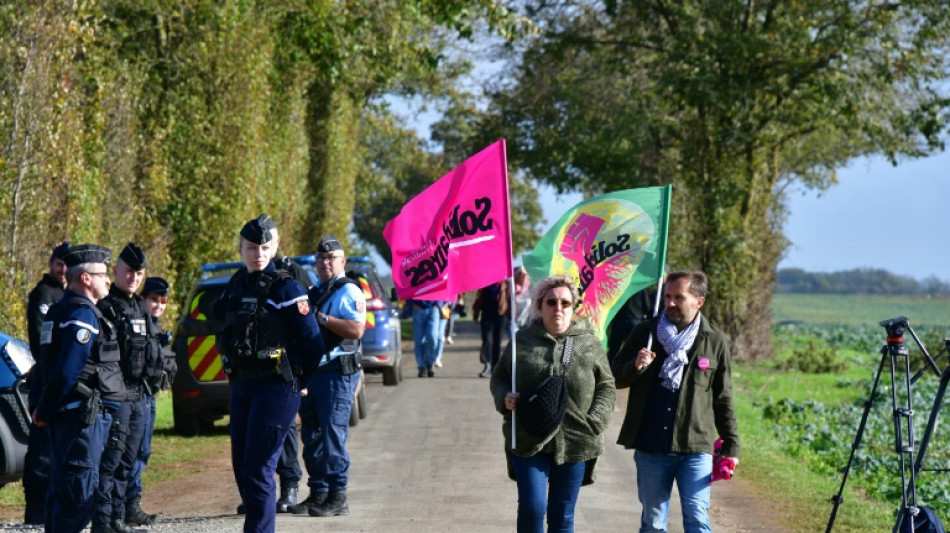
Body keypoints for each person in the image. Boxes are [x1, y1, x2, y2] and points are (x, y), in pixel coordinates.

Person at [213, 214, 323, 533]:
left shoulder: (286, 287)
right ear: (240, 249)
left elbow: (313, 342)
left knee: (259, 469)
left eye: (263, 247)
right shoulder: (236, 284)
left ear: (274, 247)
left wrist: (300, 381)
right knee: (243, 469)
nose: (257, 254)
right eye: (250, 247)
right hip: (244, 385)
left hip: (277, 386)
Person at [611, 270, 740, 533]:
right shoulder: (645, 332)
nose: (669, 303)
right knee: (654, 523)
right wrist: (635, 367)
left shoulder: (715, 340)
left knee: (697, 519)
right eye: (667, 296)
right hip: (651, 446)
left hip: (695, 448)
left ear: (698, 302)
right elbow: (615, 377)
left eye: (678, 298)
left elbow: (723, 396)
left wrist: (731, 444)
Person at [490, 275, 616, 533]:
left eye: (565, 303)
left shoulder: (588, 344)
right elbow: (499, 378)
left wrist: (595, 421)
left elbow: (607, 385)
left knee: (563, 516)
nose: (558, 308)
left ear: (574, 307)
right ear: (540, 306)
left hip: (575, 441)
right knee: (532, 509)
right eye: (551, 302)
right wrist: (505, 398)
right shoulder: (521, 342)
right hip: (528, 439)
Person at [33, 244, 124, 533]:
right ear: (86, 278)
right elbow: (65, 371)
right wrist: (45, 409)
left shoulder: (59, 311)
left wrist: (43, 407)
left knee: (63, 496)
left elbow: (46, 367)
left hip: (67, 417)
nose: (108, 279)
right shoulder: (81, 315)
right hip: (79, 420)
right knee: (77, 498)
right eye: (103, 274)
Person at [289, 235, 365, 517]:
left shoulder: (349, 292)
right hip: (315, 373)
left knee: (333, 435)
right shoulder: (317, 289)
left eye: (331, 258)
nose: (325, 262)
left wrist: (322, 318)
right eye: (321, 258)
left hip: (337, 373)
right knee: (312, 436)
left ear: (342, 262)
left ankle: (337, 496)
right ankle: (318, 492)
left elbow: (356, 330)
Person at [94, 242, 159, 533]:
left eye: (139, 273)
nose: (134, 277)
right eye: (129, 271)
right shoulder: (107, 307)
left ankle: (118, 518)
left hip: (138, 396)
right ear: (116, 271)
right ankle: (103, 521)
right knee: (110, 461)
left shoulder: (138, 307)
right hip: (116, 396)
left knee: (128, 461)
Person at [23, 241, 70, 525]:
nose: (62, 269)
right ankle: (36, 509)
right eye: (58, 263)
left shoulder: (65, 294)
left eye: (67, 265)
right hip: (46, 378)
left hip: (61, 378)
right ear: (51, 263)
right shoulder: (44, 294)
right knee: (41, 450)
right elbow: (42, 343)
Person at [125, 276, 176, 527]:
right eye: (154, 299)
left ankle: (129, 503)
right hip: (137, 395)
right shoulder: (138, 324)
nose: (158, 305)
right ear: (143, 299)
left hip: (150, 395)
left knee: (143, 451)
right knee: (135, 452)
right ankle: (129, 505)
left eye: (163, 301)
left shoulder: (155, 327)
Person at [606, 269, 668, 365]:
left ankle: (610, 369)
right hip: (635, 321)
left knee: (614, 349)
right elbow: (648, 306)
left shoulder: (622, 288)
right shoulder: (641, 289)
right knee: (632, 350)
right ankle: (627, 368)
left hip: (620, 321)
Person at [473, 281, 507, 377]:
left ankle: (495, 367)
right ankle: (487, 365)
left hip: (501, 314)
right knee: (487, 340)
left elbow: (511, 300)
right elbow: (479, 298)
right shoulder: (486, 282)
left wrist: (512, 316)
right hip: (487, 313)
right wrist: (476, 314)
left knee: (497, 342)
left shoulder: (506, 283)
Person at [403, 298, 442, 377]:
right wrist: (412, 304)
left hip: (433, 308)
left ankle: (430, 362)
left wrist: (438, 304)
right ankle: (421, 366)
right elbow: (408, 288)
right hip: (418, 308)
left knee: (432, 337)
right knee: (419, 340)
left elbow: (444, 288)